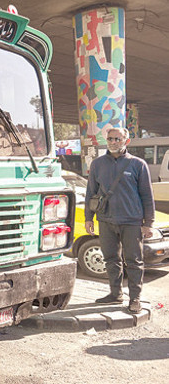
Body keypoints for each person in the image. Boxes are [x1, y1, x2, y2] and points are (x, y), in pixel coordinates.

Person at [85, 127, 155, 314]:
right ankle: (115, 294)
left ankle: (135, 299)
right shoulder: (98, 164)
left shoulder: (138, 164)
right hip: (105, 220)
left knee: (134, 261)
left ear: (126, 141)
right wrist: (88, 218)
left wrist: (148, 223)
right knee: (110, 259)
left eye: (117, 139)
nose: (113, 142)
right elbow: (90, 193)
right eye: (110, 138)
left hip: (131, 222)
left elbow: (147, 196)